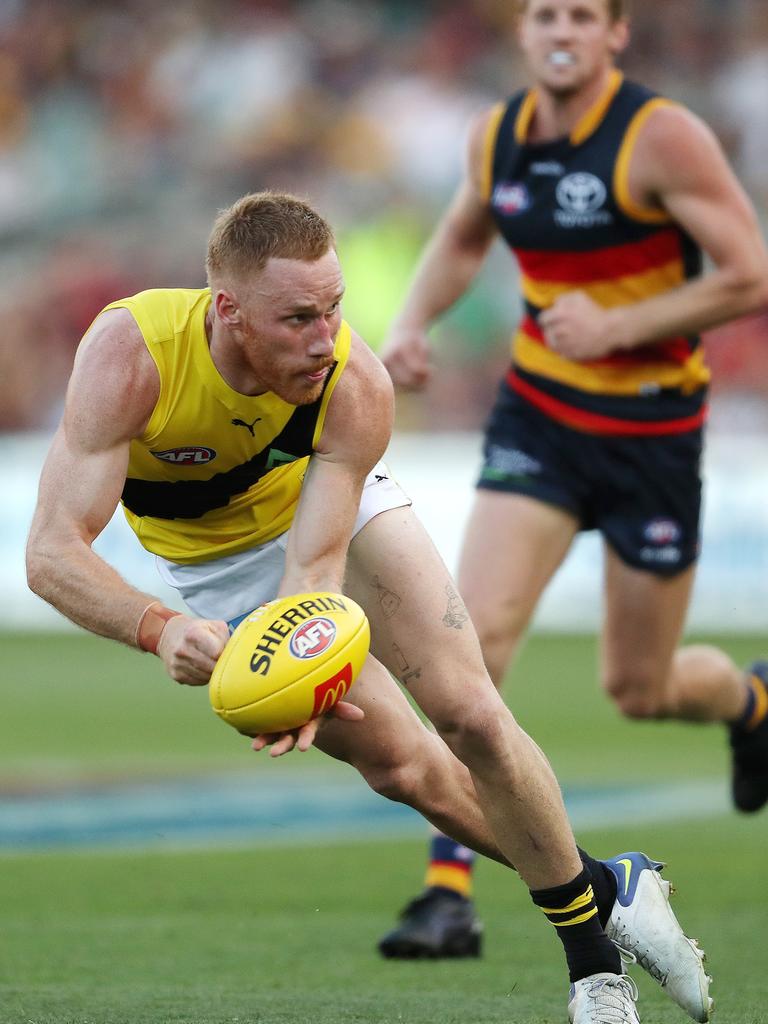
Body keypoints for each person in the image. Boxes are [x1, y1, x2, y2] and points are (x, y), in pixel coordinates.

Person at [25, 190, 713, 1023]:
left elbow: (315, 563)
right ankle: (610, 885)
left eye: (336, 309)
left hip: (335, 520)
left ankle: (591, 965)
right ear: (229, 310)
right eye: (299, 319)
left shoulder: (353, 382)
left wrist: (301, 657)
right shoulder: (131, 355)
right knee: (404, 769)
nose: (326, 338)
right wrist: (158, 627)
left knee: (471, 716)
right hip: (216, 561)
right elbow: (52, 552)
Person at [380, 0, 768, 967]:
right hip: (540, 424)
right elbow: (465, 235)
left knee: (641, 686)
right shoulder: (499, 134)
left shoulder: (661, 137)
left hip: (652, 435)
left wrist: (623, 325)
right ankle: (447, 892)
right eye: (546, 12)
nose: (563, 29)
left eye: (583, 15)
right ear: (525, 32)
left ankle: (753, 706)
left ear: (615, 35)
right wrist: (414, 322)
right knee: (470, 644)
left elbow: (748, 272)